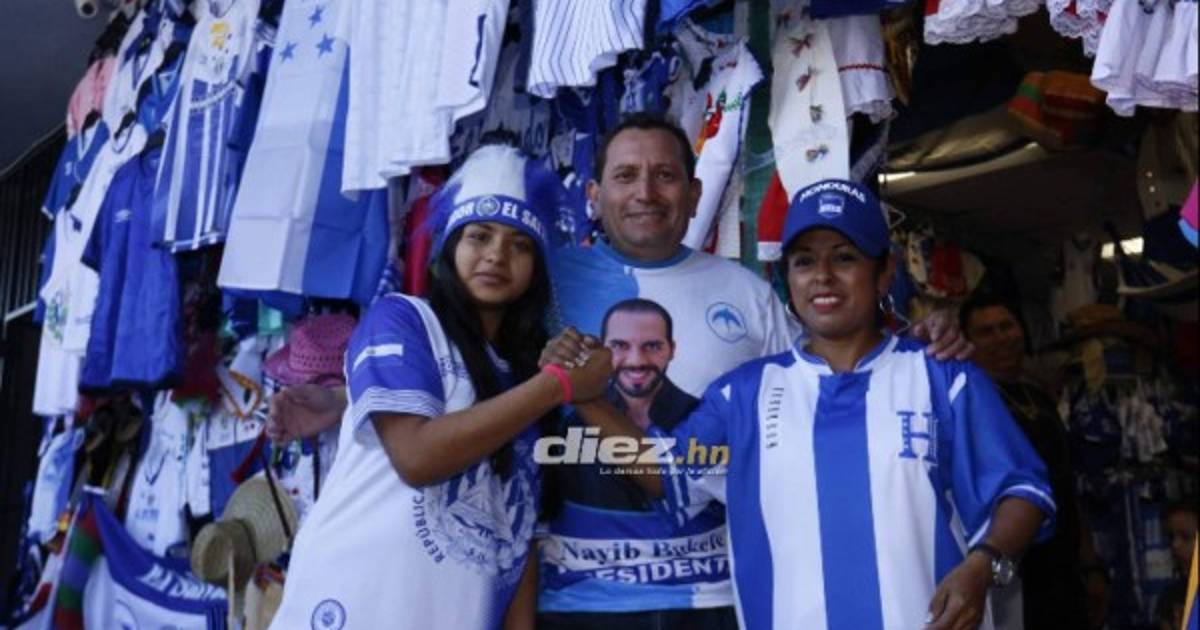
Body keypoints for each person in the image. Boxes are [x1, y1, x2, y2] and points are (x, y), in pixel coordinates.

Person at [270, 114, 976, 628]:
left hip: (714, 595)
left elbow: (823, 384)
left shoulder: (749, 294)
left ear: (694, 194)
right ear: (593, 195)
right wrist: (347, 402)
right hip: (574, 599)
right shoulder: (536, 276)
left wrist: (913, 340)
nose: (646, 192)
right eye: (626, 176)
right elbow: (464, 368)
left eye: (665, 176)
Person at [550, 178, 1056, 630]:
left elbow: (1023, 491)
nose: (823, 276)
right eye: (805, 261)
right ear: (786, 279)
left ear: (884, 273)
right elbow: (665, 474)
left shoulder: (943, 376)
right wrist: (585, 395)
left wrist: (983, 565)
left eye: (845, 257)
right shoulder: (744, 394)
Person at [267, 145, 612, 630]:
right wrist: (558, 385)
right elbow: (417, 457)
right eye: (479, 236)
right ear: (450, 246)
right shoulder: (403, 318)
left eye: (519, 244)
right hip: (351, 604)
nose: (496, 255)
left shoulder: (525, 375)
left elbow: (519, 540)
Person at [538, 299, 732, 630]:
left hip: (706, 606)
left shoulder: (700, 412)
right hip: (579, 607)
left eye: (652, 346)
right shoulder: (563, 420)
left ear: (672, 350)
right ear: (601, 349)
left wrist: (582, 392)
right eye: (619, 346)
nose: (636, 360)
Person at [961, 295, 1103, 630]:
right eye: (986, 332)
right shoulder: (966, 402)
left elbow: (1066, 484)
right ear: (968, 343)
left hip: (1063, 570)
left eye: (1006, 326)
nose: (1001, 337)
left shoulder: (1038, 397)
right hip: (1010, 572)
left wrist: (1091, 565)